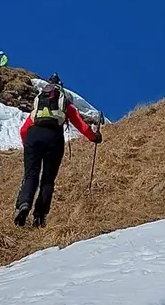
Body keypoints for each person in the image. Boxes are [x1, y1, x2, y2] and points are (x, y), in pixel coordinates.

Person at [15, 76, 104, 228]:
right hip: (54, 138)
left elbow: (23, 130)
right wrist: (94, 137)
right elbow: (80, 124)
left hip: (33, 137)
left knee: (31, 175)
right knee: (48, 180)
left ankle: (24, 205)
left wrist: (28, 146)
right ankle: (39, 217)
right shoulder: (65, 104)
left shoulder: (38, 107)